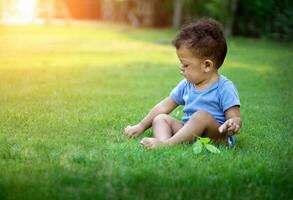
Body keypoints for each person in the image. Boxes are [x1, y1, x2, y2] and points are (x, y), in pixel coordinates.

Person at [124, 18, 241, 149]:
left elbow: (235, 118)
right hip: (189, 132)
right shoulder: (186, 85)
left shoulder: (224, 87)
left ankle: (167, 145)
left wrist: (233, 123)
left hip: (217, 137)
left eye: (185, 64)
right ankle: (164, 141)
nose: (181, 67)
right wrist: (140, 126)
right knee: (160, 118)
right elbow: (163, 106)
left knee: (201, 116)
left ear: (207, 65)